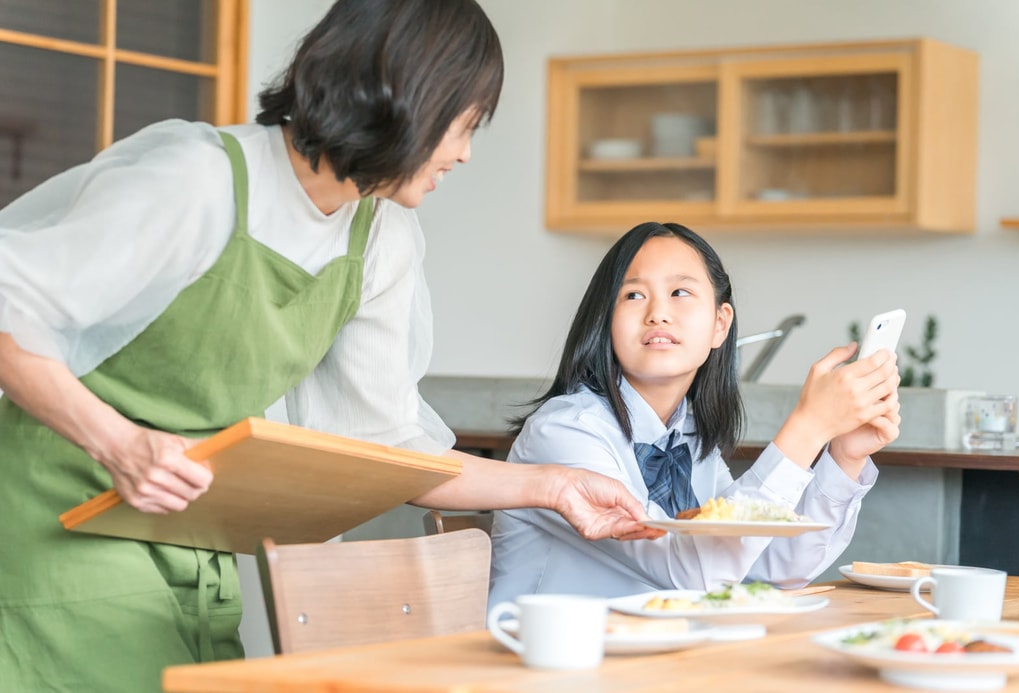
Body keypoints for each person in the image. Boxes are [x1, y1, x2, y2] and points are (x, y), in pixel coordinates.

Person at [0, 1, 656, 690]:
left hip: (184, 534)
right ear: (406, 94)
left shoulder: (380, 237)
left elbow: (387, 447)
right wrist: (118, 442)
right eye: (463, 125)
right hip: (58, 514)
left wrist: (552, 486)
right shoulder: (199, 182)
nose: (464, 153)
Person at [489, 221, 902, 607]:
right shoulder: (564, 432)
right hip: (545, 657)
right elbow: (694, 574)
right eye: (633, 295)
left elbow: (770, 569)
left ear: (720, 324)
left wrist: (844, 457)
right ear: (605, 321)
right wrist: (807, 429)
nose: (657, 312)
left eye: (680, 292)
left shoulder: (687, 435)